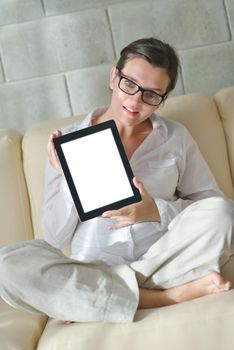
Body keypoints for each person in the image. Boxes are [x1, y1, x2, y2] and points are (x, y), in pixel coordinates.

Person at [0, 37, 233, 323]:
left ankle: (94, 299)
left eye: (151, 95)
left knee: (224, 213)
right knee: (8, 265)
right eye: (129, 85)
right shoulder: (67, 142)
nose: (135, 101)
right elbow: (54, 238)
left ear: (163, 99)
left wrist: (156, 212)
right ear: (113, 77)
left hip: (160, 260)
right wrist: (66, 177)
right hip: (96, 266)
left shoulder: (175, 138)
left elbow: (212, 205)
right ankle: (167, 296)